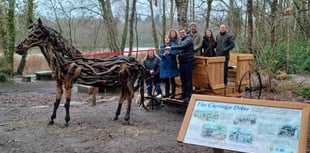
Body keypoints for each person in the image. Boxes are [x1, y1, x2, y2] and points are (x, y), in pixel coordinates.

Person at [166, 28, 194, 102]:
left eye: (183, 32)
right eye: (180, 33)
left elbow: (183, 46)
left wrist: (171, 47)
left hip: (188, 61)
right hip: (182, 62)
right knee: (183, 79)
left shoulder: (189, 39)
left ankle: (188, 95)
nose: (182, 33)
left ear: (185, 32)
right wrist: (169, 52)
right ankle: (183, 94)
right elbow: (178, 50)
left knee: (188, 80)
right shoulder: (180, 40)